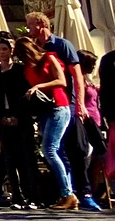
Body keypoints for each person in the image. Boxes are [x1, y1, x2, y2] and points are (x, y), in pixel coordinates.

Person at [27, 11, 101, 211]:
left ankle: (85, 194)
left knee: (76, 149)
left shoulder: (61, 45)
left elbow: (77, 76)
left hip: (67, 103)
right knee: (57, 151)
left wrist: (80, 104)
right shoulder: (35, 48)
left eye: (31, 25)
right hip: (47, 107)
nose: (28, 29)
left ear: (42, 24)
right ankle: (67, 193)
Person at [17, 34, 76, 209]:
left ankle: (68, 194)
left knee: (49, 150)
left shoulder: (49, 58)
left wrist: (37, 87)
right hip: (44, 111)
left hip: (58, 106)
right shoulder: (27, 66)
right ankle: (66, 193)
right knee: (54, 151)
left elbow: (62, 81)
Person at [0, 31, 34, 208]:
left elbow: (24, 96)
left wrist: (16, 116)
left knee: (26, 156)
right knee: (9, 157)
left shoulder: (19, 69)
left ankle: (31, 195)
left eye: (5, 49)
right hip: (1, 119)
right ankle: (16, 195)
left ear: (11, 50)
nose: (2, 52)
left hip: (21, 118)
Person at [78, 50, 107, 203]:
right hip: (87, 123)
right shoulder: (79, 80)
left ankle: (95, 191)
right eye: (92, 64)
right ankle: (86, 190)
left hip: (97, 122)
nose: (94, 67)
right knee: (88, 156)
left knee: (97, 159)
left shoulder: (87, 80)